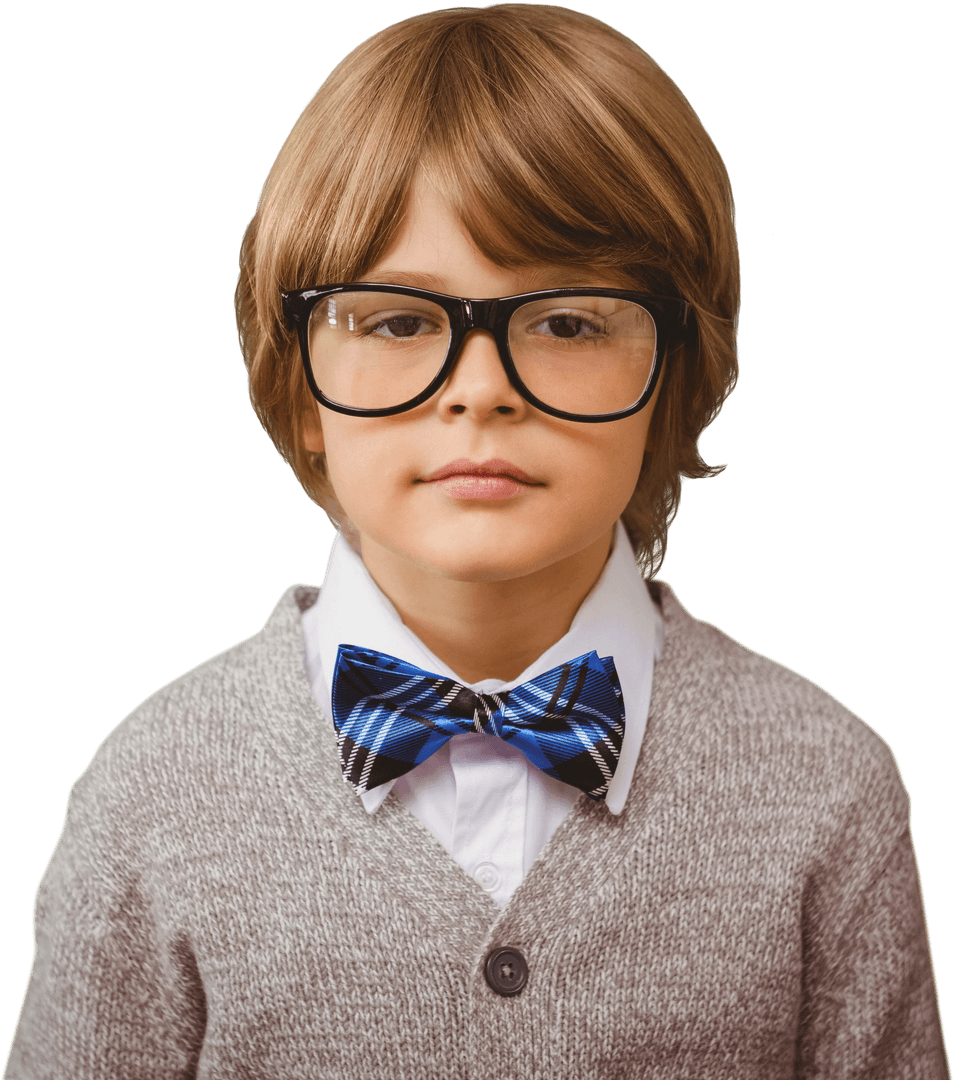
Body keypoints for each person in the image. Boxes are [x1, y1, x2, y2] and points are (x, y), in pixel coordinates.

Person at [6, 5, 948, 1078]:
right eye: (399, 320)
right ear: (302, 383)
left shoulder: (827, 791)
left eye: (569, 321)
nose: (481, 392)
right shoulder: (152, 797)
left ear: (674, 370)